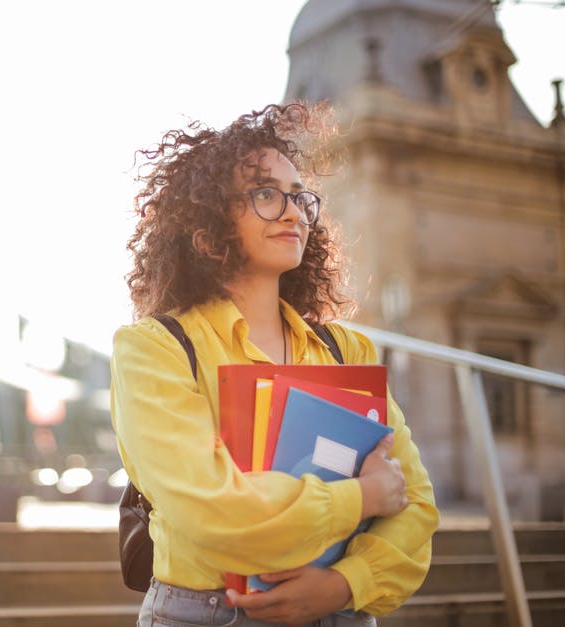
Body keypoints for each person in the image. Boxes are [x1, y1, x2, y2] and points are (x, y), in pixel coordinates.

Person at [110, 103, 438, 627]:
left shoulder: (344, 350)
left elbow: (417, 507)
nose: (291, 212)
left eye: (298, 197)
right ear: (206, 225)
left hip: (343, 613)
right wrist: (363, 497)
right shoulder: (155, 349)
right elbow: (215, 511)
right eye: (265, 193)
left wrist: (344, 585)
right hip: (206, 615)